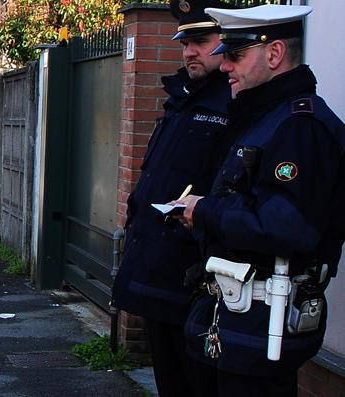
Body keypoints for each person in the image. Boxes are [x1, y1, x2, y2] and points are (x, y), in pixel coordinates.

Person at [172, 5, 344, 396]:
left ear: (274, 53)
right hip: (234, 321)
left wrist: (205, 211)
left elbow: (286, 227)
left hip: (261, 324)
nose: (226, 67)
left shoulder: (300, 127)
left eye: (234, 56)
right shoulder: (263, 117)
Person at [110, 1, 236, 395]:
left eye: (201, 41)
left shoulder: (233, 104)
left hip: (193, 282)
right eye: (185, 42)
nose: (189, 51)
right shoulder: (182, 98)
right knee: (170, 380)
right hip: (156, 272)